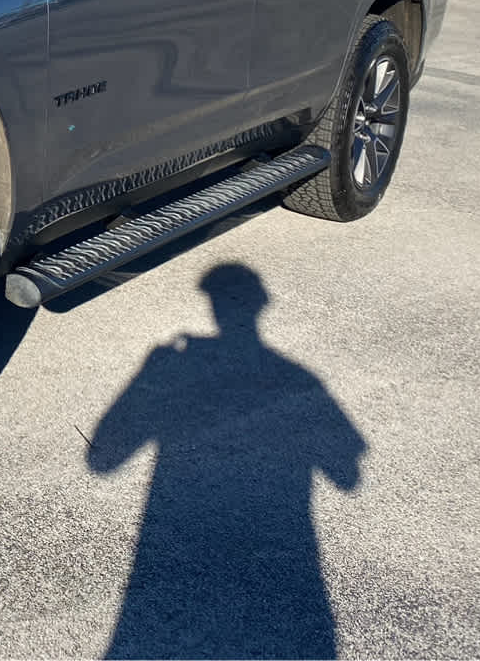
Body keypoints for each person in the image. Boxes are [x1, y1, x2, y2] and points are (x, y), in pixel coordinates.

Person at [88, 263, 367, 659]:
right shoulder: (300, 379)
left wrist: (151, 379)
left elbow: (103, 460)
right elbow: (347, 475)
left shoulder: (171, 363)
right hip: (282, 574)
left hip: (172, 573)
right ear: (261, 307)